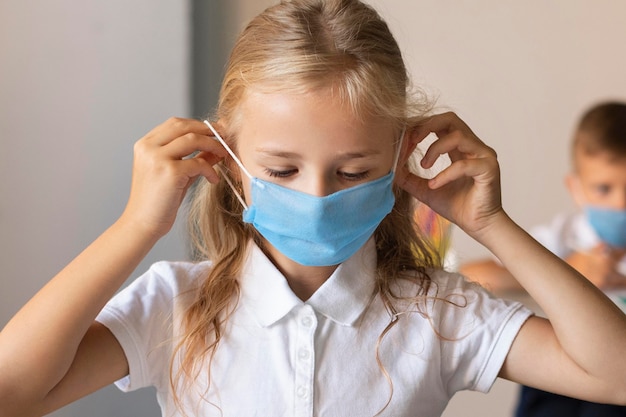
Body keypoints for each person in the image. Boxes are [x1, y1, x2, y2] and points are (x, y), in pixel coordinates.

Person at [1, 1, 625, 416]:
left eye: (354, 171)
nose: (318, 196)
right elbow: (12, 391)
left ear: (401, 157)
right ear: (224, 158)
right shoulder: (175, 306)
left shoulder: (438, 311)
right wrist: (136, 227)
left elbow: (615, 376)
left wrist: (492, 225)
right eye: (280, 170)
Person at [461, 101, 626, 416]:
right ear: (576, 189)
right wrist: (569, 272)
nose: (620, 203)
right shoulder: (563, 239)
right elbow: (473, 275)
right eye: (604, 188)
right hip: (560, 370)